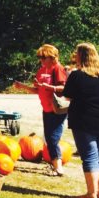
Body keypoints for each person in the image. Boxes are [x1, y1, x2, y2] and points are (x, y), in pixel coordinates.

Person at [60, 43, 99, 198]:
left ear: (82, 56)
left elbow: (67, 96)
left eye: (77, 53)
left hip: (84, 120)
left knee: (90, 157)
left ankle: (91, 194)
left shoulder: (77, 75)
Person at [32, 44, 68, 176]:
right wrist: (22, 87)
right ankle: (55, 165)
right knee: (49, 137)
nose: (41, 60)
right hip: (46, 108)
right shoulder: (42, 70)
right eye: (39, 57)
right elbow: (38, 89)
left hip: (57, 109)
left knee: (53, 138)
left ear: (52, 57)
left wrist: (49, 86)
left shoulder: (58, 69)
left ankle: (58, 167)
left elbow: (64, 88)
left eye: (43, 57)